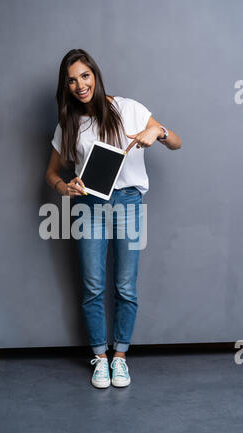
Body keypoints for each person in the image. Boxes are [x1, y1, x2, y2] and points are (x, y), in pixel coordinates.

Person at [45, 48, 182, 389]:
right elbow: (50, 173)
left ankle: (120, 357)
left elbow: (177, 142)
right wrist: (65, 186)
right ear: (66, 87)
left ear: (95, 74)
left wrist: (159, 133)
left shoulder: (129, 109)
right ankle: (100, 359)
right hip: (89, 205)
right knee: (93, 285)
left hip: (129, 204)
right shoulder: (70, 124)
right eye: (72, 80)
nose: (80, 85)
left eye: (85, 76)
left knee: (125, 285)